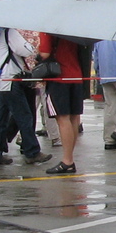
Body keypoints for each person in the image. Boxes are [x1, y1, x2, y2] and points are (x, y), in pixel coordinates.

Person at [0, 28, 49, 167]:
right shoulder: (9, 32)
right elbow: (25, 50)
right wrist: (32, 47)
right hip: (11, 80)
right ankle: (32, 152)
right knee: (24, 116)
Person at [35, 33, 87, 174]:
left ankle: (67, 160)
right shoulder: (74, 30)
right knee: (74, 118)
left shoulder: (48, 29)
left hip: (58, 77)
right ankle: (70, 157)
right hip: (77, 75)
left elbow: (45, 53)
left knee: (63, 119)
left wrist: (36, 56)